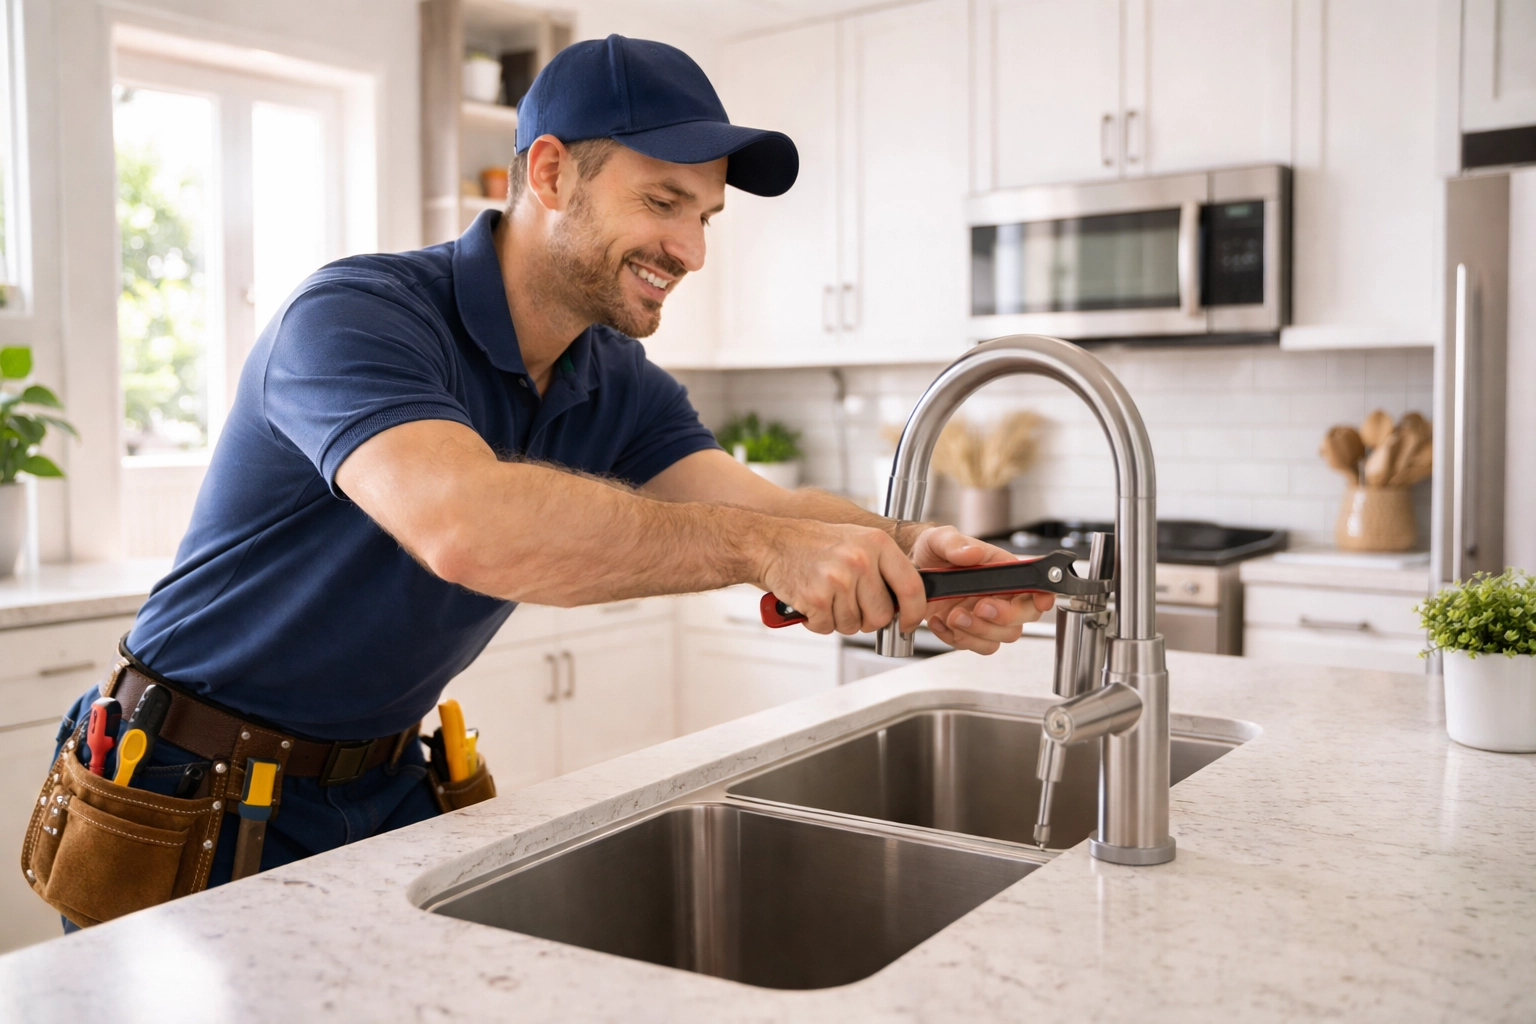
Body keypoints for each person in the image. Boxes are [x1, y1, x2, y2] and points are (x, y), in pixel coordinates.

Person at [43, 35, 1051, 922]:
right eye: (663, 202)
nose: (690, 249)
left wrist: (912, 549)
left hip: (389, 775)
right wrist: (763, 551)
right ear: (552, 172)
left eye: (705, 215)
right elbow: (464, 524)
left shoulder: (611, 375)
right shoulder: (357, 316)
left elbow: (765, 506)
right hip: (182, 780)